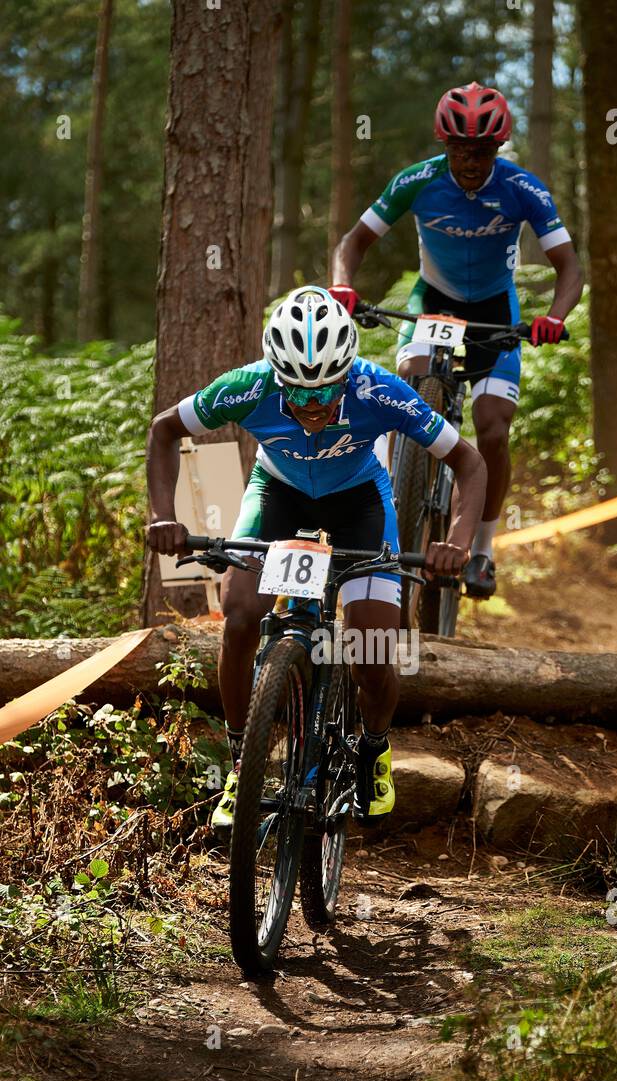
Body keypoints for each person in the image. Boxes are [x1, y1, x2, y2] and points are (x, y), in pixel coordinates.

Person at [146, 286, 485, 829]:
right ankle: (241, 763)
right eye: (296, 395)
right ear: (276, 376)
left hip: (359, 502)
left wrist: (460, 541)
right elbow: (165, 430)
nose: (310, 408)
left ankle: (374, 746)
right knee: (238, 618)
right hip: (276, 493)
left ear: (346, 373)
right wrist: (164, 515)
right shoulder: (248, 387)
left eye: (323, 393)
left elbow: (468, 462)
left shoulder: (379, 391)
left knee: (373, 646)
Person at [330, 81, 583, 597]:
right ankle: (390, 488)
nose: (471, 160)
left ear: (499, 147)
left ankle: (483, 551)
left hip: (496, 311)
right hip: (433, 302)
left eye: (484, 150)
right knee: (405, 383)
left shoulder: (523, 188)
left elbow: (569, 266)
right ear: (445, 145)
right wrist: (342, 286)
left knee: (491, 429)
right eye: (461, 149)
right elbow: (352, 243)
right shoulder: (417, 181)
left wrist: (553, 317)